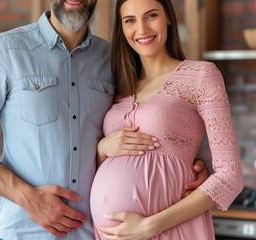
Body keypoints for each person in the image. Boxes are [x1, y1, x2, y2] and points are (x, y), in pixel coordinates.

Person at [0, 0, 209, 239]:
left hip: (93, 232)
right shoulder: (6, 50)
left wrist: (188, 163)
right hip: (23, 232)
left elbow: (150, 115)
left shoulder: (113, 59)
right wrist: (28, 197)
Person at [89, 0, 244, 239]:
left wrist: (150, 226)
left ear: (168, 18)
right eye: (130, 20)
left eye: (151, 16)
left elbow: (230, 176)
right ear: (121, 29)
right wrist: (101, 150)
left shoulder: (202, 76)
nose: (141, 29)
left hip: (170, 230)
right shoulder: (117, 86)